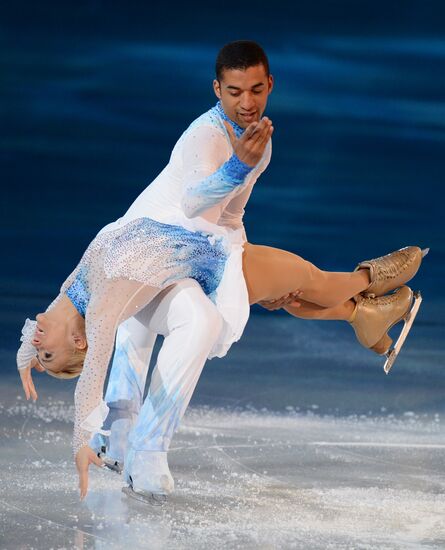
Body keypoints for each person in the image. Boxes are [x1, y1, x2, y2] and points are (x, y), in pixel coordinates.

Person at [15, 40, 425, 502]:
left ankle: (368, 313)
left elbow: (228, 214)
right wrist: (80, 440)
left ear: (270, 85)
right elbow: (194, 201)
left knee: (290, 288)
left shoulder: (75, 293)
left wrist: (29, 360)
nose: (246, 103)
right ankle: (374, 284)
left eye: (254, 90)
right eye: (234, 91)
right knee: (302, 283)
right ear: (218, 89)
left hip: (199, 252)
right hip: (185, 250)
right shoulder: (206, 138)